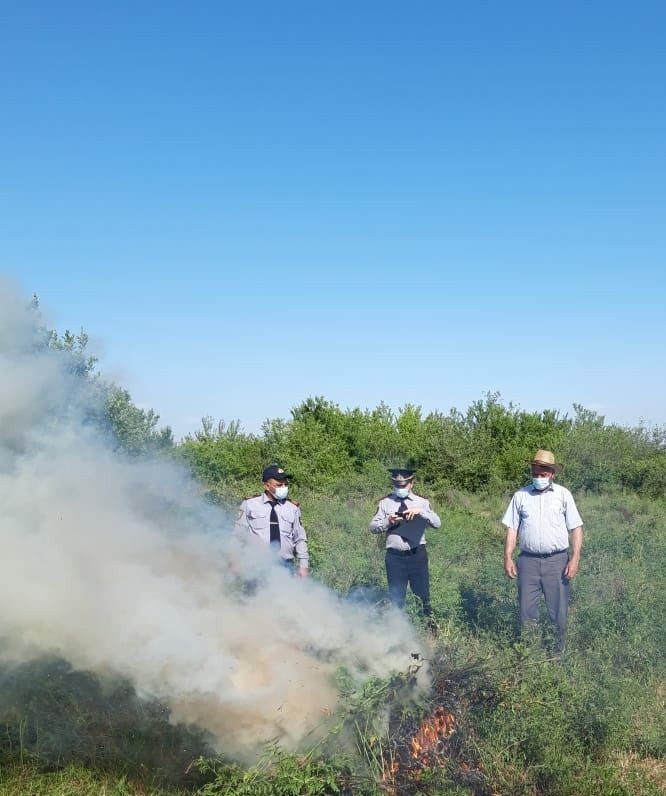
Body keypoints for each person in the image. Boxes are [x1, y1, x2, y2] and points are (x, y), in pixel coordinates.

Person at [502, 449, 583, 654]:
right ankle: (531, 655)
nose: (538, 478)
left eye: (543, 474)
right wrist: (508, 557)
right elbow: (512, 528)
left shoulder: (563, 495)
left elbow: (576, 528)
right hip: (527, 562)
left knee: (558, 614)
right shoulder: (521, 496)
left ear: (552, 473)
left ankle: (557, 656)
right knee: (527, 613)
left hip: (557, 561)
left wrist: (574, 558)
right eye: (535, 474)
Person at [370, 468, 441, 617]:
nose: (400, 488)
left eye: (403, 485)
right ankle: (398, 630)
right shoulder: (385, 503)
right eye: (397, 485)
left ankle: (429, 630)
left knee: (423, 596)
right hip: (394, 558)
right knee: (397, 598)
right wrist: (388, 521)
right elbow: (373, 527)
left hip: (417, 556)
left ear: (411, 484)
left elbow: (437, 524)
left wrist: (420, 512)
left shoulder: (422, 502)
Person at [235, 465, 309, 577]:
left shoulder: (292, 508)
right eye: (279, 485)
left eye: (286, 484)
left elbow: (300, 539)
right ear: (266, 486)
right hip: (255, 566)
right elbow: (238, 535)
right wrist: (235, 561)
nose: (284, 487)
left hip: (285, 567)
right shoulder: (250, 504)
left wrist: (304, 566)